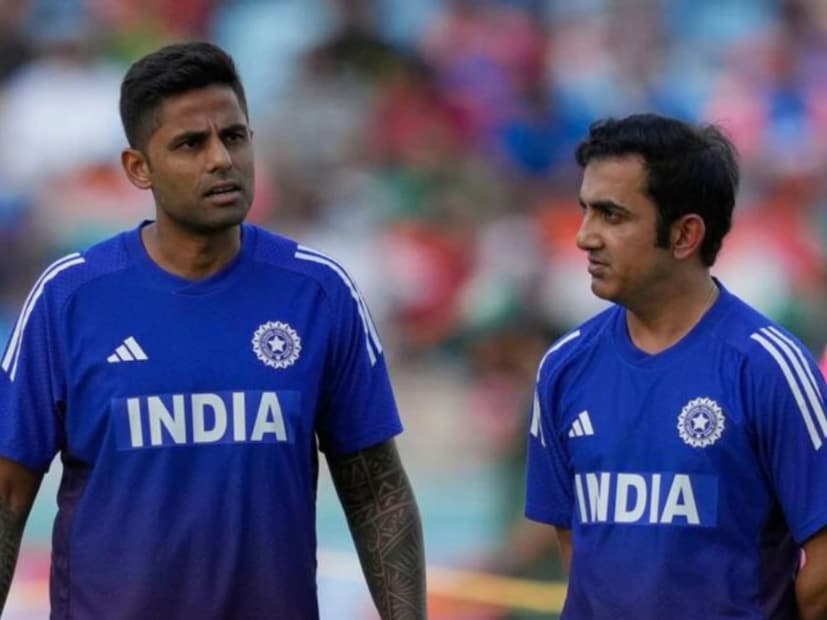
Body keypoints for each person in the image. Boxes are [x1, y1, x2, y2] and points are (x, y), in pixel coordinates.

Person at [0, 41, 426, 619]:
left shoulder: (319, 293)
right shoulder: (69, 297)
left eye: (234, 136)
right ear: (138, 168)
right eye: (190, 144)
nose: (221, 159)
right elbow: (7, 494)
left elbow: (377, 490)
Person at [525, 113, 827, 619]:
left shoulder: (770, 368)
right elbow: (579, 553)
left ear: (686, 235)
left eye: (611, 215)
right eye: (585, 211)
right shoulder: (563, 367)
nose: (584, 237)